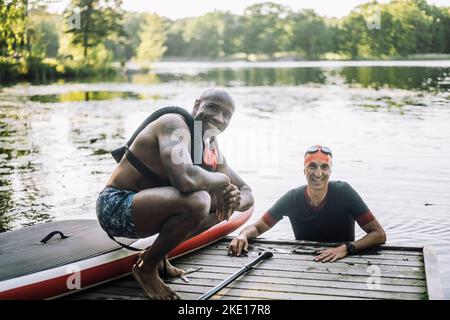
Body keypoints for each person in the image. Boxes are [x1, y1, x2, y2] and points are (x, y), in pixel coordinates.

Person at [96, 88, 254, 300]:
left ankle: (158, 256)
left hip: (147, 212)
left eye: (227, 114)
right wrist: (223, 182)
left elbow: (247, 193)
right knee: (200, 201)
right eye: (213, 108)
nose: (219, 117)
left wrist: (233, 199)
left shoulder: (209, 144)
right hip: (115, 208)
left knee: (217, 203)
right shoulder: (173, 124)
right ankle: (146, 268)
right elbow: (185, 178)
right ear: (197, 104)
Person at [228, 145, 386, 263]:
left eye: (324, 167)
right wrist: (242, 235)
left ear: (330, 171)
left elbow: (379, 234)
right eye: (312, 166)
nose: (318, 173)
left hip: (343, 261)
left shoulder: (344, 192)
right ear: (304, 170)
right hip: (304, 263)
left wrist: (347, 248)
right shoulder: (292, 198)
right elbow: (257, 227)